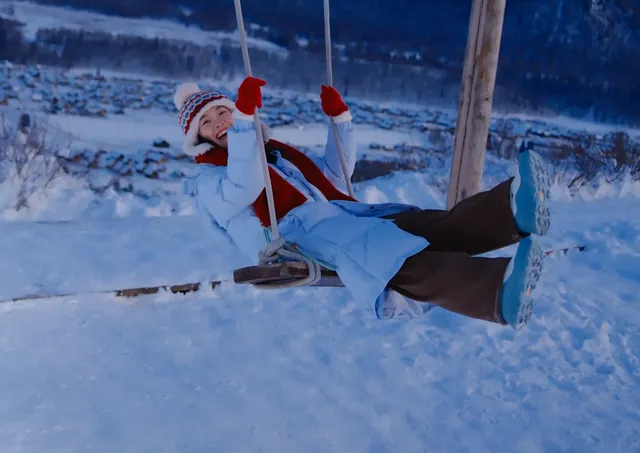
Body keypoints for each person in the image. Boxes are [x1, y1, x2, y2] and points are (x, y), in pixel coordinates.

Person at [176, 77, 550, 329]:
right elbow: (243, 187)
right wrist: (243, 123)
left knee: (419, 224)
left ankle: (513, 211)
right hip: (290, 238)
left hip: (333, 214)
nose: (220, 121)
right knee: (385, 251)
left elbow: (333, 180)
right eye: (207, 121)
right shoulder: (209, 179)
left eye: (223, 111)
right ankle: (498, 292)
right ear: (198, 137)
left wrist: (341, 121)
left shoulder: (273, 153)